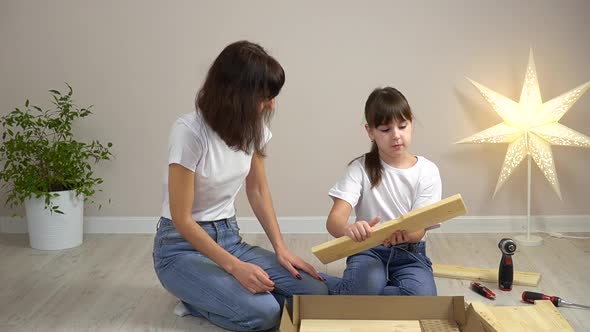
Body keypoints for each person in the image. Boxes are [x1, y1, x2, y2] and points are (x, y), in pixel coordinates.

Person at [153, 41, 327, 332]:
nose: (272, 104)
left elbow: (257, 190)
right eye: (265, 96)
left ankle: (220, 294)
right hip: (180, 249)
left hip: (230, 238)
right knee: (265, 314)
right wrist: (235, 268)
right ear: (237, 94)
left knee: (314, 293)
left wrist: (281, 249)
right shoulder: (189, 132)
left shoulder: (254, 129)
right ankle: (195, 300)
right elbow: (182, 220)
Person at [322, 87, 441, 296]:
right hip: (368, 250)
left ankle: (364, 296)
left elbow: (419, 231)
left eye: (403, 126)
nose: (396, 136)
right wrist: (349, 229)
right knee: (366, 287)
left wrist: (405, 235)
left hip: (409, 253)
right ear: (370, 131)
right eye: (385, 130)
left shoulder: (427, 170)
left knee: (423, 298)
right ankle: (323, 285)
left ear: (411, 122)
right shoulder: (359, 168)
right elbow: (334, 221)